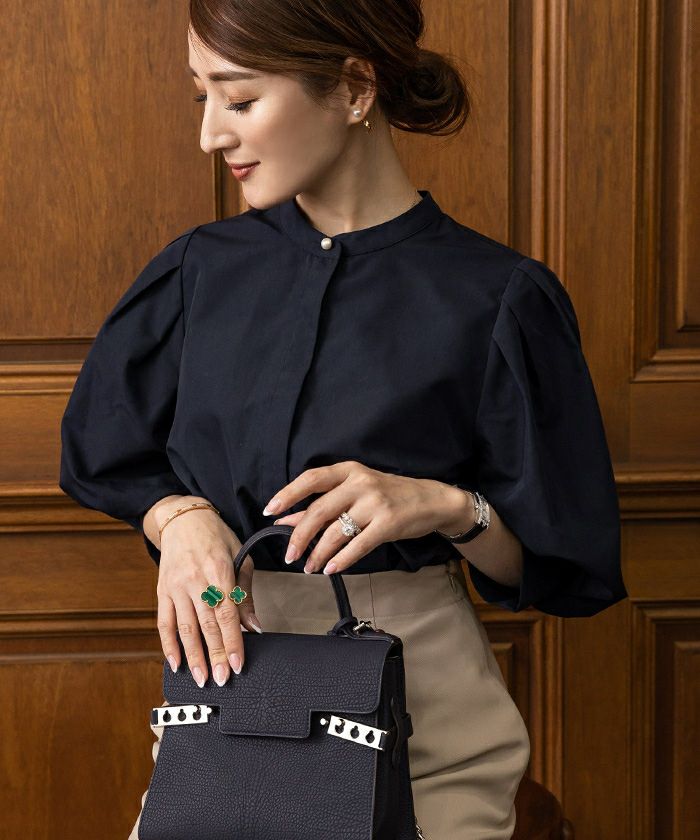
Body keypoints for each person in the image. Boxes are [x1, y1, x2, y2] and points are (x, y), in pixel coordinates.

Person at [58, 1, 628, 837]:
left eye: (239, 99)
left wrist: (447, 507)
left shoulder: (497, 297)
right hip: (228, 706)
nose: (211, 135)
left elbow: (556, 564)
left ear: (355, 88)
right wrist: (179, 520)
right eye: (202, 98)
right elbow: (106, 452)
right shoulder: (197, 273)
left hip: (427, 725)